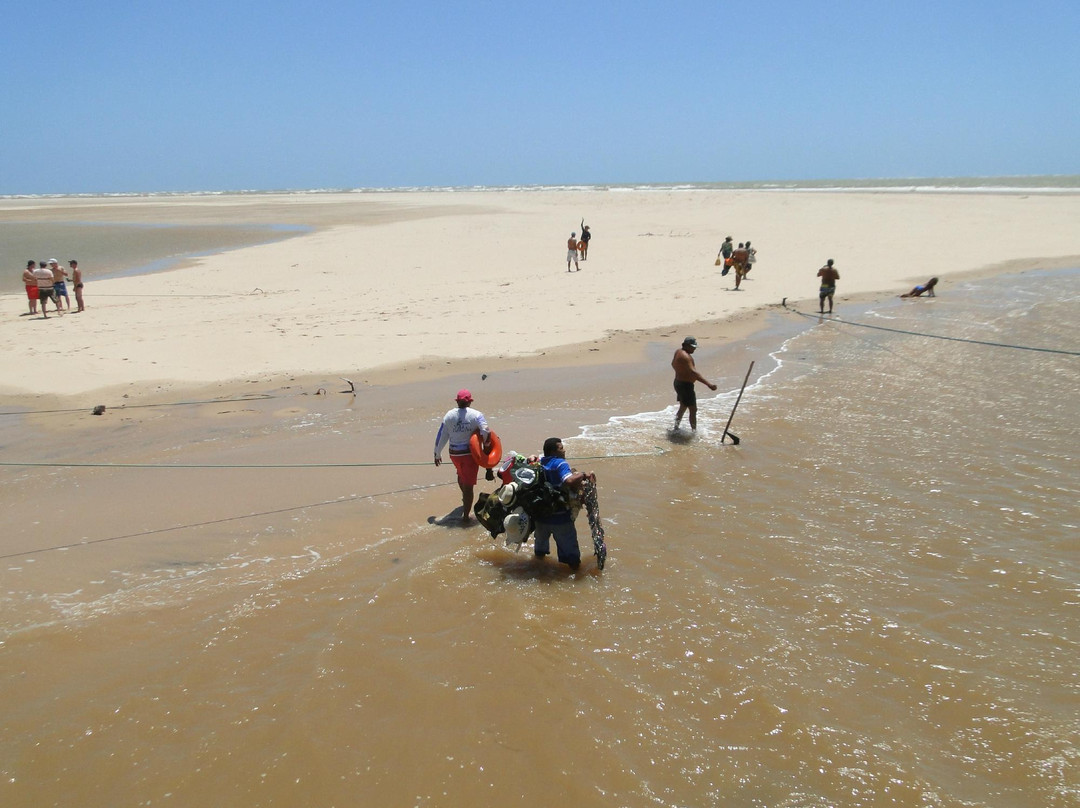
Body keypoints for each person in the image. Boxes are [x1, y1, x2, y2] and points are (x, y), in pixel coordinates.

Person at [532, 437, 594, 570]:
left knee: (539, 554)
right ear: (553, 451)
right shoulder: (560, 463)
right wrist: (584, 474)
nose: (564, 450)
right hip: (560, 518)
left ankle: (539, 572)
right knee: (573, 561)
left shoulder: (540, 463)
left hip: (541, 517)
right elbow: (569, 481)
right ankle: (575, 579)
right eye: (561, 448)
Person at [434, 389, 493, 523]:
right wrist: (487, 445)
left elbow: (442, 435)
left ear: (457, 401)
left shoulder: (449, 415)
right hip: (469, 455)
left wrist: (437, 453)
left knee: (461, 476)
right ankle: (466, 518)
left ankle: (465, 500)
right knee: (468, 487)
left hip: (454, 454)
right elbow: (486, 431)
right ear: (470, 402)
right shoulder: (476, 415)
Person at [671, 336, 717, 431]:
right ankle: (694, 432)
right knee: (693, 409)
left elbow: (673, 364)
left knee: (683, 407)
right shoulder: (685, 357)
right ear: (686, 345)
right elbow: (694, 373)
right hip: (685, 386)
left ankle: (675, 428)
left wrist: (681, 373)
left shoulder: (678, 352)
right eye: (692, 347)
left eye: (695, 346)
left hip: (678, 382)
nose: (694, 348)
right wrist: (709, 385)